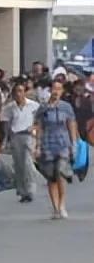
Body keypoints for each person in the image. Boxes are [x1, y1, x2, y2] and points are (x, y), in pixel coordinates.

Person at [33, 79, 79, 220]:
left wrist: (74, 143)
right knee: (51, 177)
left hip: (63, 143)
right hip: (48, 143)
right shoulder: (43, 108)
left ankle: (62, 204)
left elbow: (71, 124)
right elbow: (39, 127)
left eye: (59, 89)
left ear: (62, 91)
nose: (56, 91)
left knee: (60, 172)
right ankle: (55, 207)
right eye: (54, 88)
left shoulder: (66, 107)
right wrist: (38, 145)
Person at [1, 82, 39, 204]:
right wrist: (4, 140)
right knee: (18, 165)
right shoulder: (9, 107)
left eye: (21, 91)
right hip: (16, 136)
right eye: (16, 91)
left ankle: (31, 189)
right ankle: (22, 191)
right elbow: (5, 124)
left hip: (29, 136)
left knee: (28, 163)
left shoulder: (33, 106)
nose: (19, 94)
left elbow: (40, 122)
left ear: (25, 92)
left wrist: (35, 130)